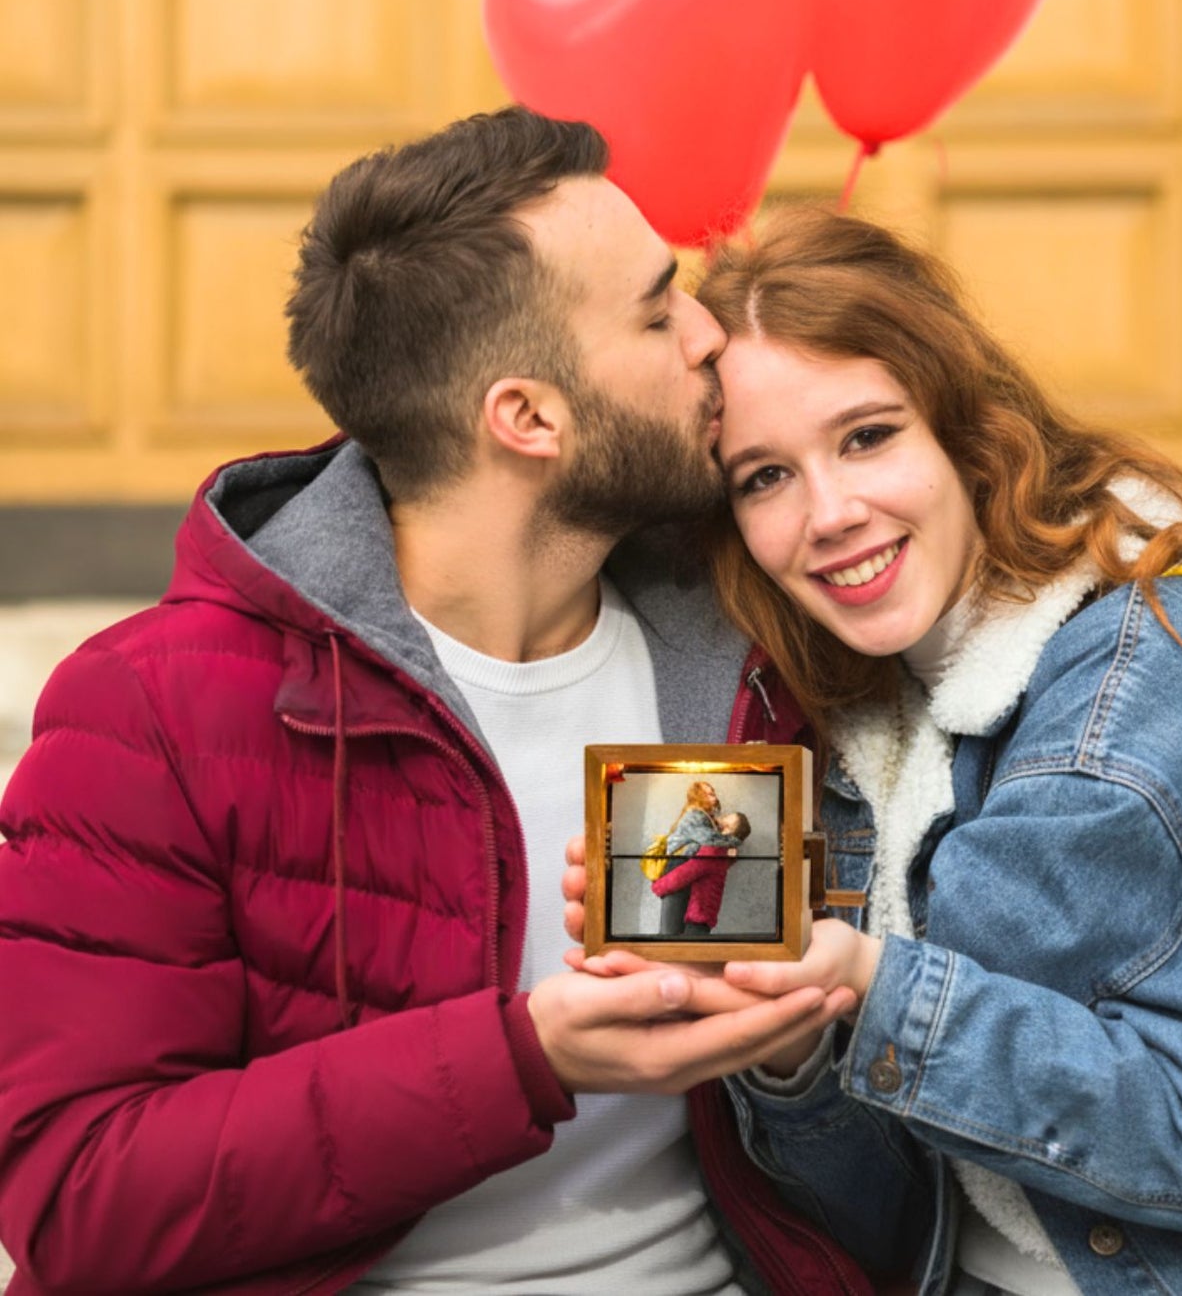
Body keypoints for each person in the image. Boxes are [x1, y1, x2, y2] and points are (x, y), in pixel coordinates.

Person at [0, 112, 864, 1296]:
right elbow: (80, 1197)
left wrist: (794, 1054)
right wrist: (520, 1058)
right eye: (656, 311)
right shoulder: (149, 710)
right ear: (528, 418)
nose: (710, 333)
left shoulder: (751, 646)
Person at [565, 205, 1182, 1294]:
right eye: (763, 476)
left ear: (963, 431)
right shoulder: (850, 743)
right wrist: (788, 1040)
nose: (829, 512)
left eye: (866, 435)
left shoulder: (1166, 665)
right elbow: (887, 1224)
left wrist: (870, 984)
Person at [653, 813, 753, 936]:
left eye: (726, 820)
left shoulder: (714, 850)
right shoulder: (723, 852)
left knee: (680, 946)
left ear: (728, 830)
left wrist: (658, 886)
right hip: (705, 913)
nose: (721, 820)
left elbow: (687, 872)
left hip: (697, 914)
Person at [657, 780, 732, 937]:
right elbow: (709, 839)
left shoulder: (705, 817)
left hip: (686, 866)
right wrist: (735, 840)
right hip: (680, 864)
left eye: (713, 793)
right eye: (708, 793)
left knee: (676, 923)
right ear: (698, 796)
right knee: (671, 928)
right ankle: (667, 951)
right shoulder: (695, 815)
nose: (714, 796)